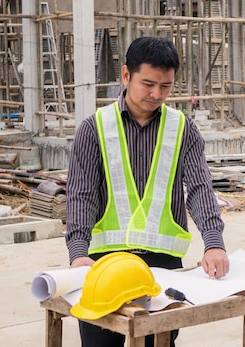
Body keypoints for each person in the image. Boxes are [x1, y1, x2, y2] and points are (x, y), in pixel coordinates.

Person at [65, 36, 230, 347]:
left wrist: (213, 243)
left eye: (166, 86)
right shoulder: (95, 128)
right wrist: (77, 254)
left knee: (159, 343)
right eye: (148, 84)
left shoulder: (183, 129)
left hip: (162, 267)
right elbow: (81, 195)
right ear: (126, 75)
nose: (157, 94)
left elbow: (199, 188)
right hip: (105, 265)